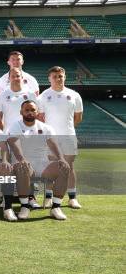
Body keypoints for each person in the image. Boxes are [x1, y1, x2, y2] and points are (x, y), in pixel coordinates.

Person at [7, 100, 71, 220]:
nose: (30, 112)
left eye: (33, 110)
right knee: (23, 167)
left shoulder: (46, 128)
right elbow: (13, 143)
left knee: (64, 167)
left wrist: (61, 159)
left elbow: (53, 144)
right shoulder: (15, 126)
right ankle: (25, 206)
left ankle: (56, 207)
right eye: (27, 110)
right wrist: (21, 159)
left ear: (37, 112)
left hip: (42, 164)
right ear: (21, 112)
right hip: (23, 163)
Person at [38, 66, 83, 209]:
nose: (58, 79)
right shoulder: (43, 96)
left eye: (61, 76)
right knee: (52, 167)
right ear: (49, 79)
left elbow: (78, 117)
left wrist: (67, 130)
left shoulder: (74, 95)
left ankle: (72, 198)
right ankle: (48, 197)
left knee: (69, 167)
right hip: (51, 138)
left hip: (69, 136)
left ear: (65, 77)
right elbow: (40, 118)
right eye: (55, 76)